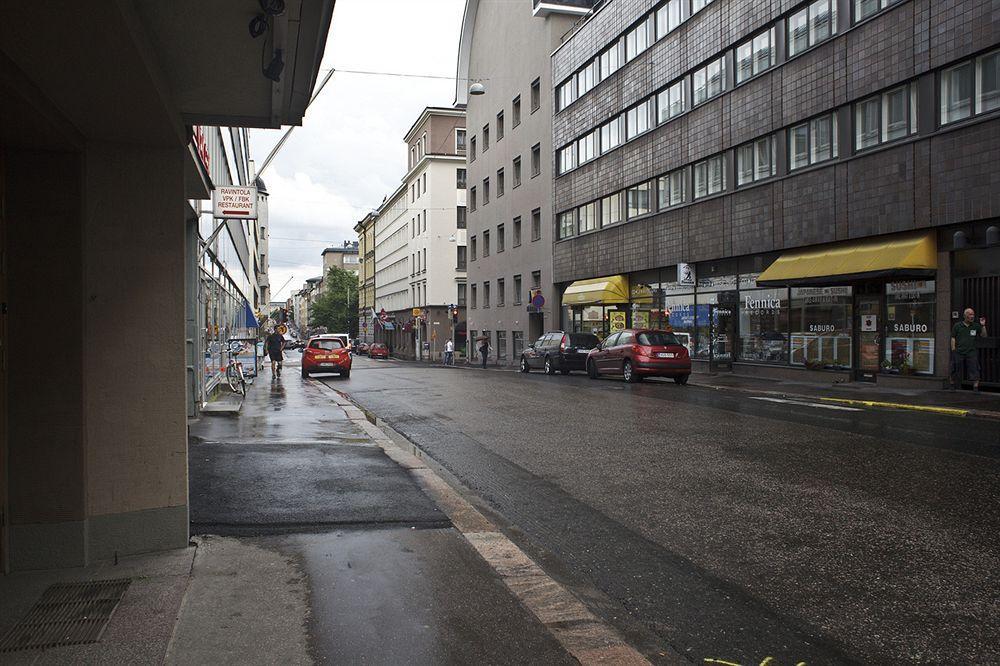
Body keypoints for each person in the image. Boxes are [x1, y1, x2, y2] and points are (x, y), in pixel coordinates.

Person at [951, 308, 988, 391]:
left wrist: (983, 325)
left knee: (974, 368)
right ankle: (952, 384)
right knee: (955, 368)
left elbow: (984, 335)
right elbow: (953, 338)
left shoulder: (975, 326)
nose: (972, 316)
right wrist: (953, 350)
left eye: (973, 314)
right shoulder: (957, 326)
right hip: (959, 351)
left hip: (971, 352)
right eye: (970, 314)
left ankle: (975, 387)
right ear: (965, 316)